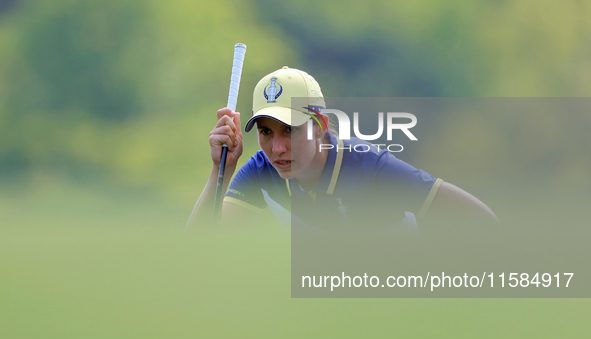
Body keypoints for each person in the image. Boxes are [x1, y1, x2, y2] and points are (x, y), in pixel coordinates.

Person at [187, 66, 499, 234]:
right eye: (266, 132)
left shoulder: (371, 168)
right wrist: (221, 170)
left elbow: (481, 221)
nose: (277, 148)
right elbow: (200, 249)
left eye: (291, 130)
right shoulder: (262, 170)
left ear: (320, 126)